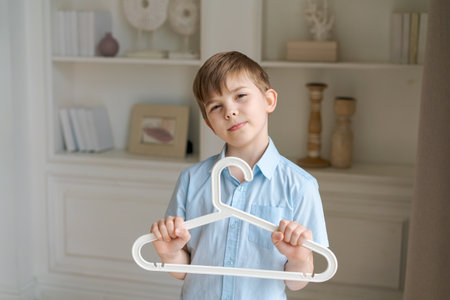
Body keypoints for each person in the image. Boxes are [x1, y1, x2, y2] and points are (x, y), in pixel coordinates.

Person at [150, 51, 328, 300]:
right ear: (210, 124)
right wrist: (170, 255)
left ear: (269, 100)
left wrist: (300, 258)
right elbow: (184, 269)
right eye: (216, 106)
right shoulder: (191, 180)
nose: (230, 112)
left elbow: (297, 282)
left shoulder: (301, 186)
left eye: (241, 96)